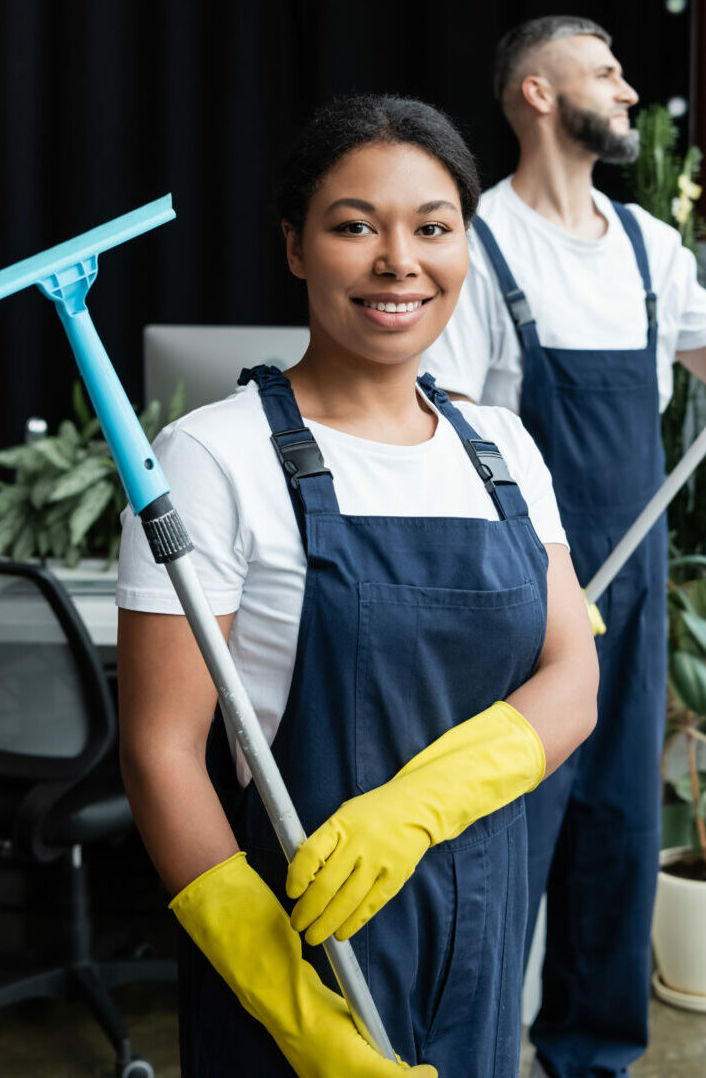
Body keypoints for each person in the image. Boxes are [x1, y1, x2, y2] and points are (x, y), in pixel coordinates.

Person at [420, 15, 706, 1078]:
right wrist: (531, 580)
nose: (627, 91)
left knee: (622, 827)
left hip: (636, 584)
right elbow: (452, 436)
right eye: (605, 72)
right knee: (510, 832)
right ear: (537, 93)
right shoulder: (479, 243)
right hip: (527, 590)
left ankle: (592, 1058)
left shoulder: (647, 246)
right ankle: (474, 1054)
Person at [115, 94, 600, 1078]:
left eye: (433, 227)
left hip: (483, 926)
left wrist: (414, 807)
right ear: (295, 247)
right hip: (298, 942)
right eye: (354, 227)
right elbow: (161, 752)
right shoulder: (212, 456)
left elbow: (573, 677)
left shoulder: (500, 447)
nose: (398, 261)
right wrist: (301, 1020)